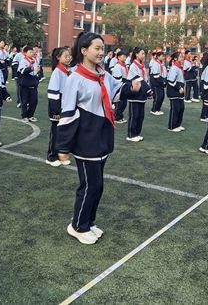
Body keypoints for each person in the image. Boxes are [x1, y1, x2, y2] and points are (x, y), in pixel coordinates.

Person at [56, 32, 141, 245]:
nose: (101, 52)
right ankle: (78, 225)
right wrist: (63, 147)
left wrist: (131, 87)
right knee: (89, 185)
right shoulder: (75, 78)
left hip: (103, 135)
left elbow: (115, 92)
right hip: (86, 139)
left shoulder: (103, 74)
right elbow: (67, 113)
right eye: (97, 48)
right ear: (84, 50)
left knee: (98, 185)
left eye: (102, 48)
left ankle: (88, 221)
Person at [46, 46, 72, 167]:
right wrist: (56, 111)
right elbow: (53, 93)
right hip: (57, 108)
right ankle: (52, 156)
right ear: (58, 57)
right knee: (56, 133)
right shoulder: (57, 72)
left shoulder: (68, 71)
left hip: (66, 107)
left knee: (65, 133)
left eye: (69, 56)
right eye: (66, 56)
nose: (68, 58)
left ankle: (62, 154)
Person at [126, 47, 152, 142]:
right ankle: (131, 135)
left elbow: (145, 79)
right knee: (134, 115)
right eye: (142, 53)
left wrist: (148, 89)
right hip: (135, 93)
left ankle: (137, 133)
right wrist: (148, 90)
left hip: (142, 93)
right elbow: (138, 78)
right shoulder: (133, 66)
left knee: (141, 116)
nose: (144, 55)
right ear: (136, 54)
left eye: (144, 54)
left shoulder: (142, 66)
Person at [17, 45, 41, 122]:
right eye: (30, 52)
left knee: (34, 101)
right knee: (24, 101)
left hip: (33, 84)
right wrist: (32, 68)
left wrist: (37, 78)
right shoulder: (23, 61)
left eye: (32, 52)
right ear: (25, 53)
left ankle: (31, 115)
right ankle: (24, 116)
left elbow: (37, 71)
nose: (32, 53)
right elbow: (23, 71)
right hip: (25, 85)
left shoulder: (34, 60)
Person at [166, 51, 185, 132]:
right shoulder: (174, 68)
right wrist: (179, 87)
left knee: (181, 108)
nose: (182, 58)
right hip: (174, 91)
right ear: (175, 58)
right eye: (180, 57)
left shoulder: (179, 67)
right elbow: (171, 80)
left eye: (182, 56)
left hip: (179, 91)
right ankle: (171, 126)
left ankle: (177, 124)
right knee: (175, 109)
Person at [111, 50, 129, 124]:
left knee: (124, 103)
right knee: (119, 103)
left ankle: (120, 116)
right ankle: (117, 117)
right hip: (119, 87)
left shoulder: (124, 65)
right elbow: (118, 79)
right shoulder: (118, 66)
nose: (125, 58)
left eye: (125, 56)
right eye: (123, 56)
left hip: (124, 85)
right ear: (118, 57)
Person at [149, 51, 167, 115]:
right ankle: (154, 110)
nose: (163, 57)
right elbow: (155, 75)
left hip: (161, 82)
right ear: (158, 57)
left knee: (162, 96)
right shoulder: (155, 64)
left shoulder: (161, 64)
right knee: (157, 96)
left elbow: (164, 73)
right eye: (162, 56)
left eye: (163, 56)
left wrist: (165, 80)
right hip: (156, 83)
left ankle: (158, 109)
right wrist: (163, 81)